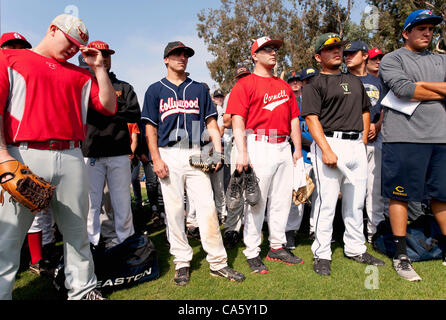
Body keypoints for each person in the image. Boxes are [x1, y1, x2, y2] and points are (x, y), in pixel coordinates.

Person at [0, 13, 117, 300]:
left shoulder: (81, 74)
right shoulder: (10, 59)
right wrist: (2, 155)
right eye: (71, 41)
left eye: (79, 46)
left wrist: (99, 68)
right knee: (8, 238)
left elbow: (109, 106)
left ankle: (84, 290)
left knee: (77, 233)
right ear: (52, 29)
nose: (75, 49)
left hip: (72, 155)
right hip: (23, 154)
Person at [142, 41, 245, 285]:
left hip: (197, 151)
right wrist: (155, 158)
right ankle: (182, 261)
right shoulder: (155, 90)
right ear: (166, 59)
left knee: (208, 207)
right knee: (175, 210)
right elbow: (150, 127)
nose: (181, 57)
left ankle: (218, 263)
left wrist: (218, 152)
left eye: (185, 54)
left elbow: (211, 124)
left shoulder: (199, 89)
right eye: (176, 54)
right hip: (169, 153)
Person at [301, 33, 385, 276]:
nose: (337, 51)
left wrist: (362, 137)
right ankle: (322, 253)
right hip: (329, 142)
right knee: (326, 203)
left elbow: (364, 110)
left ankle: (355, 248)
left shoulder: (356, 81)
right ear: (319, 57)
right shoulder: (314, 84)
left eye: (338, 47)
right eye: (330, 49)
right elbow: (311, 118)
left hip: (355, 144)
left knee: (355, 202)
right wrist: (326, 149)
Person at [226, 36, 305, 274]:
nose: (273, 52)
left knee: (282, 201)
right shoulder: (245, 84)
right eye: (266, 49)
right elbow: (237, 120)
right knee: (256, 201)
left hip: (283, 146)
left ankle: (276, 246)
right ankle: (252, 251)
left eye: (274, 48)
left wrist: (297, 150)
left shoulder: (283, 87)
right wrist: (243, 152)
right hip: (258, 142)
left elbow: (294, 119)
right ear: (254, 55)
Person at [379, 9, 446, 281]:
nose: (427, 32)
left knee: (442, 197)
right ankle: (401, 254)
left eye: (431, 28)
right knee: (400, 194)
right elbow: (404, 90)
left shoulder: (442, 60)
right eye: (421, 28)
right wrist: (439, 88)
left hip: (440, 137)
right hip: (404, 137)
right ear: (406, 32)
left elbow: (413, 88)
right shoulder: (392, 58)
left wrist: (419, 85)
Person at [81, 40, 140, 249]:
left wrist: (108, 111)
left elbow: (134, 113)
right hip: (91, 151)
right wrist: (112, 110)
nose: (103, 58)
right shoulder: (83, 84)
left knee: (122, 201)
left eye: (106, 55)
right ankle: (92, 244)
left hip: (118, 152)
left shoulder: (123, 86)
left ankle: (126, 241)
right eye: (99, 55)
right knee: (91, 204)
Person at [344, 41, 388, 243]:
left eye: (353, 53)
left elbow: (385, 107)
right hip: (352, 141)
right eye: (346, 54)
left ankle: (374, 232)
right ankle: (352, 233)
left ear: (364, 56)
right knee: (352, 190)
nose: (347, 56)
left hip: (375, 140)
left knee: (375, 190)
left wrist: (377, 124)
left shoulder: (377, 81)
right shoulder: (342, 80)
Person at [285, 68, 318, 249]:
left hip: (320, 155)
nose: (296, 83)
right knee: (298, 196)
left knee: (320, 196)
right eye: (293, 80)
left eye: (299, 80)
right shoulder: (290, 102)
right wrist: (312, 144)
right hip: (302, 156)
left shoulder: (317, 99)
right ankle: (290, 232)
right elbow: (291, 131)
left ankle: (315, 230)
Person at [221, 63, 251, 249]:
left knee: (255, 189)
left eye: (245, 76)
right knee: (236, 189)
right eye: (240, 77)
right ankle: (232, 230)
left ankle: (251, 229)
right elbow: (225, 120)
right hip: (237, 143)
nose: (243, 80)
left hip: (257, 141)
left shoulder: (258, 89)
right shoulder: (232, 95)